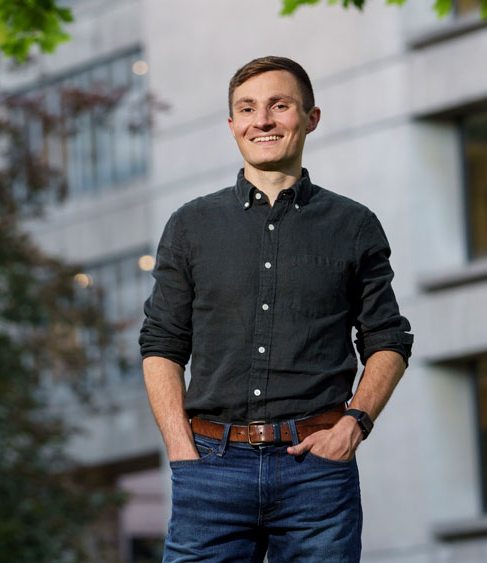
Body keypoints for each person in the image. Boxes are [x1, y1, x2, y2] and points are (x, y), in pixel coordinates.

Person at [138, 56, 414, 563]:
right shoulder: (190, 226)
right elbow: (161, 345)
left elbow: (388, 340)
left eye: (278, 106)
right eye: (246, 109)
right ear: (231, 125)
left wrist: (355, 423)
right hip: (210, 466)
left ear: (310, 118)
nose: (261, 120)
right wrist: (181, 451)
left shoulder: (353, 226)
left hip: (316, 468)